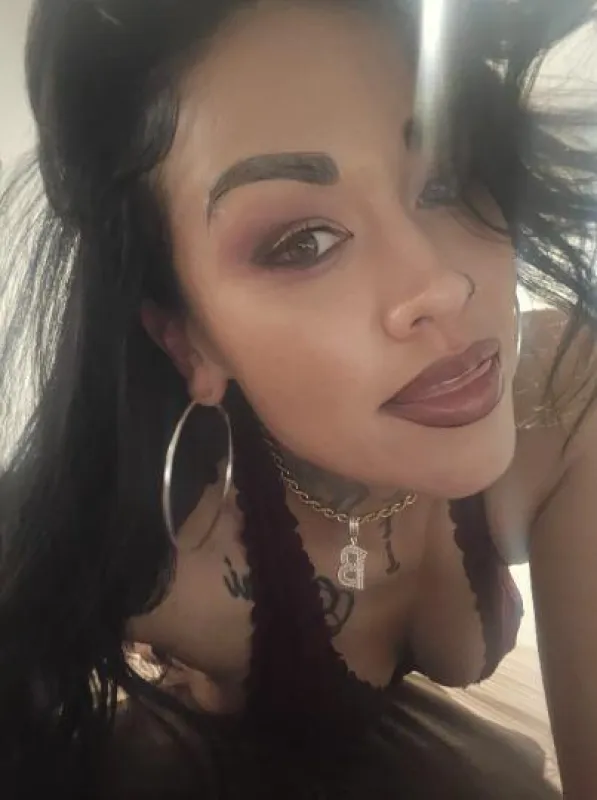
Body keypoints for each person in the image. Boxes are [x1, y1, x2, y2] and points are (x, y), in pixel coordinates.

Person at [1, 0, 596, 797]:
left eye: (447, 179)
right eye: (302, 242)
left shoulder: (565, 392)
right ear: (186, 339)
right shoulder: (148, 548)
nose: (441, 284)